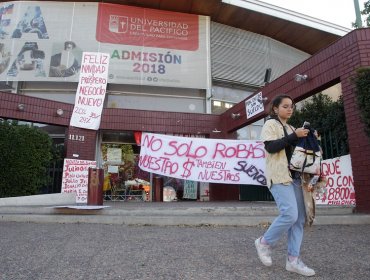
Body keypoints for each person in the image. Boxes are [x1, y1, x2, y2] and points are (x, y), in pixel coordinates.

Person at [255, 94, 316, 277]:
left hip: (296, 178)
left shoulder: (291, 127)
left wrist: (308, 137)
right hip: (279, 176)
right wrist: (293, 136)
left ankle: (293, 260)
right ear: (275, 108)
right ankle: (264, 243)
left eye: (292, 106)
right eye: (285, 106)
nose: (290, 109)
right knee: (289, 214)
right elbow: (271, 147)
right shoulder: (270, 125)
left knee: (299, 219)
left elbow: (299, 152)